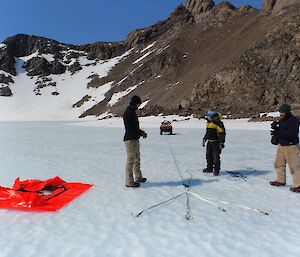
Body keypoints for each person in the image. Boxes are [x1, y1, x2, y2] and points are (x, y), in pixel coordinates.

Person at [270, 104, 300, 193]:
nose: (281, 114)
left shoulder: (293, 121)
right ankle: (280, 180)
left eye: (283, 113)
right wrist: (276, 128)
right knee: (278, 164)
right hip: (282, 145)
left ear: (287, 112)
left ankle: (298, 184)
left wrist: (278, 132)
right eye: (280, 113)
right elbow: (281, 130)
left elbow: (291, 134)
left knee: (294, 166)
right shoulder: (282, 120)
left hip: (291, 146)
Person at [123, 95, 147, 188]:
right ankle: (129, 181)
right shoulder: (128, 113)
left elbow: (134, 128)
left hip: (135, 139)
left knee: (137, 159)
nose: (138, 106)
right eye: (138, 104)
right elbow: (131, 128)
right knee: (131, 161)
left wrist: (140, 133)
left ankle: (138, 177)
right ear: (135, 104)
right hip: (130, 139)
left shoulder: (132, 112)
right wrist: (141, 133)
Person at [202, 110, 226, 176]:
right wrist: (204, 139)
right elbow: (207, 133)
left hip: (216, 143)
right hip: (209, 142)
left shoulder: (218, 124)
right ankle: (209, 168)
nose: (207, 118)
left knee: (215, 157)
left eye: (209, 117)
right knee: (208, 156)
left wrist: (221, 143)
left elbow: (222, 134)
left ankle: (216, 170)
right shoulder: (208, 123)